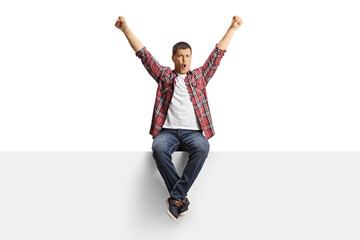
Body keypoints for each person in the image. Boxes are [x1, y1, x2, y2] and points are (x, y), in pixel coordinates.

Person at [115, 15, 243, 221]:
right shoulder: (164, 76)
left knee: (203, 148)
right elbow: (143, 55)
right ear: (173, 58)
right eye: (180, 56)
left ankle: (176, 197)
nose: (184, 60)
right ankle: (180, 199)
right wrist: (125, 28)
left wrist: (233, 28)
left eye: (188, 56)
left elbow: (217, 54)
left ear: (191, 58)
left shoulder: (199, 77)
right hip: (168, 132)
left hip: (193, 133)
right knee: (158, 148)